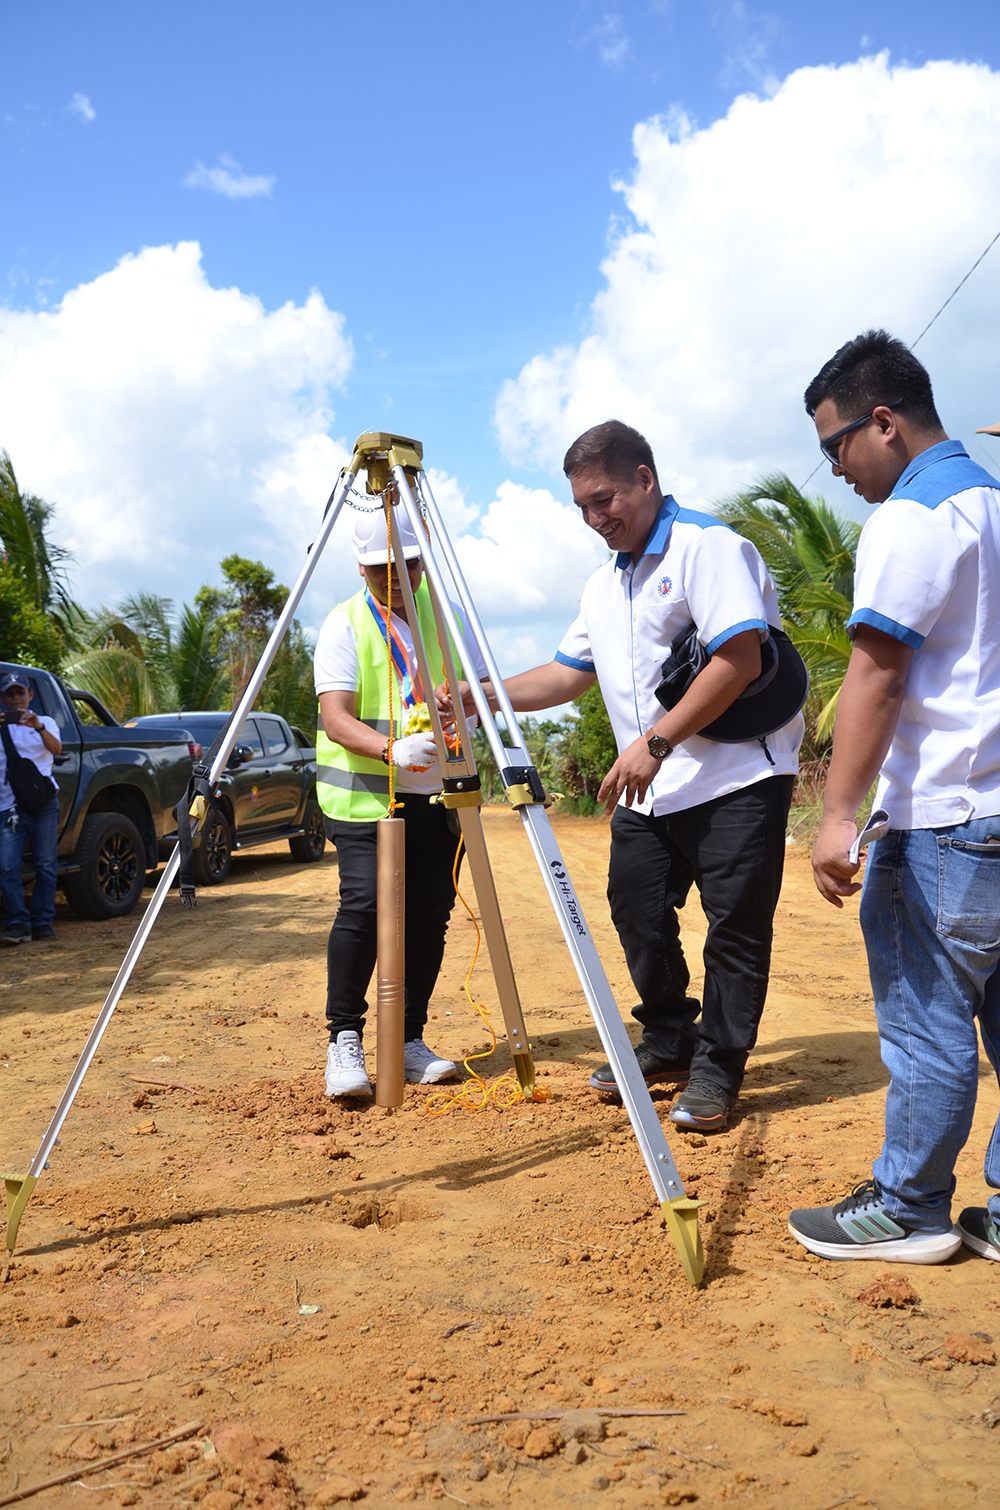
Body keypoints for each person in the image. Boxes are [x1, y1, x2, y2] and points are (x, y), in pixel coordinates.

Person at [442, 420, 802, 1131]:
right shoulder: (604, 585)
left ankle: (718, 1070)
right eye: (581, 506)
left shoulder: (709, 548)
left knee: (734, 929)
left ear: (645, 478)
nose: (594, 517)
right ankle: (669, 1037)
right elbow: (566, 675)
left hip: (736, 778)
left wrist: (655, 742)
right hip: (655, 787)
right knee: (636, 907)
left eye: (604, 498)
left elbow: (742, 659)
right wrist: (478, 694)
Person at [790, 329, 1000, 1265]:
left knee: (925, 1025)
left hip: (946, 822)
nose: (834, 468)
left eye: (836, 444)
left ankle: (911, 1204)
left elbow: (875, 674)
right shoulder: (994, 503)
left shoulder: (914, 520)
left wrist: (838, 817)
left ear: (884, 421)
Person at [313, 504, 487, 1097]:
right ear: (360, 567)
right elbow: (335, 718)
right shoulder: (345, 624)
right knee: (365, 908)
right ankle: (345, 1041)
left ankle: (407, 1038)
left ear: (422, 556)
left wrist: (465, 720)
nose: (393, 578)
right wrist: (390, 749)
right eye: (378, 568)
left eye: (405, 565)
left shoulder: (448, 617)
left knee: (429, 913)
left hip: (438, 797)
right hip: (367, 800)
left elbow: (480, 692)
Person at [0, 671, 62, 945]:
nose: (16, 699)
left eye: (20, 693)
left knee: (46, 865)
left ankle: (42, 923)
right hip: (7, 807)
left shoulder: (45, 722)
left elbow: (57, 749)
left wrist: (37, 726)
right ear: (2, 698)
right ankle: (17, 924)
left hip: (43, 805)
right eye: (9, 694)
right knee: (7, 867)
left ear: (30, 695)